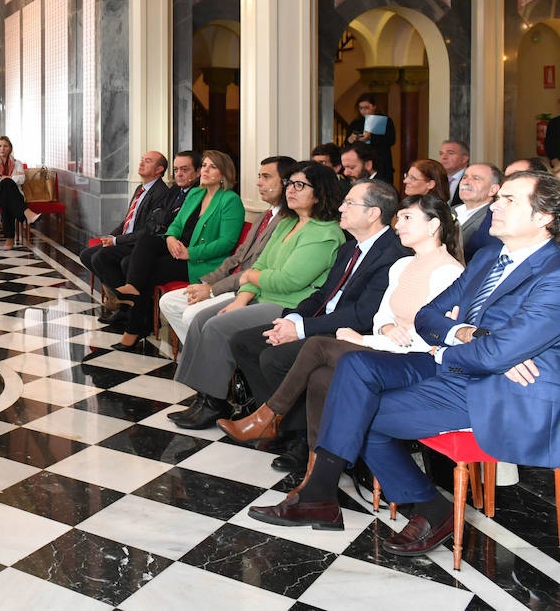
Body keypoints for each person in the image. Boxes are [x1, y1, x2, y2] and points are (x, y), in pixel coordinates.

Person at [247, 171, 560, 555]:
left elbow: (495, 356)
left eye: (509, 200)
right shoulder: (489, 257)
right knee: (355, 368)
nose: (495, 205)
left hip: (503, 391)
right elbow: (429, 316)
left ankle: (404, 504)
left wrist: (460, 347)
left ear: (543, 217)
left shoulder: (553, 274)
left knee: (357, 410)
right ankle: (323, 495)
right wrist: (468, 333)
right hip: (455, 368)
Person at [222, 196, 462, 472]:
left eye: (408, 218)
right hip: (386, 345)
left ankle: (269, 418)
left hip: (412, 358)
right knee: (320, 375)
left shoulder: (448, 273)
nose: (399, 224)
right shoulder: (402, 265)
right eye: (400, 217)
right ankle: (316, 468)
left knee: (318, 347)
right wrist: (386, 328)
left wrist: (365, 340)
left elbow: (431, 338)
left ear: (433, 226)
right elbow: (382, 315)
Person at [169, 163, 344, 430]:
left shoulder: (326, 233)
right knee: (202, 318)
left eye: (300, 185)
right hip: (262, 294)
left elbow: (289, 281)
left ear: (320, 193)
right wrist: (241, 298)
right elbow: (259, 265)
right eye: (289, 184)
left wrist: (249, 279)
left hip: (289, 305)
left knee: (216, 327)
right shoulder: (287, 223)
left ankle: (215, 404)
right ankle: (203, 396)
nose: (291, 191)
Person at [103, 151, 245, 352]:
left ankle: (133, 329)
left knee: (145, 271)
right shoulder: (196, 193)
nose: (205, 170)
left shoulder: (230, 200)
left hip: (201, 261)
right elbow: (176, 223)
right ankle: (133, 291)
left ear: (224, 173)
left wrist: (191, 253)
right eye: (204, 165)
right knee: (148, 239)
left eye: (212, 167)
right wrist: (170, 238)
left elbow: (227, 243)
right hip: (179, 250)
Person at [159, 156, 297, 345]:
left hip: (247, 289)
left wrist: (211, 288)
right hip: (228, 279)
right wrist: (207, 281)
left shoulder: (287, 221)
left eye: (265, 177)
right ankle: (202, 352)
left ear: (286, 182)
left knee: (192, 314)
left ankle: (209, 359)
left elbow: (239, 254)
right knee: (168, 302)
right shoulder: (266, 215)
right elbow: (238, 256)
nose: (258, 183)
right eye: (259, 176)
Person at [81, 151, 171, 302]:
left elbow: (148, 229)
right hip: (126, 240)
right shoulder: (140, 189)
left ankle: (124, 303)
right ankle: (121, 299)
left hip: (138, 244)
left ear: (159, 169)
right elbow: (128, 221)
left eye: (147, 161)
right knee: (86, 255)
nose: (141, 163)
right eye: (142, 159)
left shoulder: (161, 193)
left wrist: (117, 241)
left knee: (100, 257)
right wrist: (112, 236)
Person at [0, 135, 42, 250]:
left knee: (6, 198)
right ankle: (26, 214)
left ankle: (9, 238)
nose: (2, 149)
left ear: (10, 148)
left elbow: (22, 179)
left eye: (5, 146)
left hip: (8, 196)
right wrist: (5, 178)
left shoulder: (17, 163)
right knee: (7, 184)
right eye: (0, 146)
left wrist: (1, 178)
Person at [456, 162, 502, 260]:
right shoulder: (448, 210)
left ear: (493, 190)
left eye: (476, 179)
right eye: (464, 177)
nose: (466, 182)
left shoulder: (494, 218)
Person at [346, 92, 396, 180]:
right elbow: (347, 144)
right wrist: (351, 139)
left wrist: (371, 137)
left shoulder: (386, 121)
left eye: (366, 108)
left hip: (381, 161)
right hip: (362, 159)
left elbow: (391, 140)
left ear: (374, 106)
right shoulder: (356, 123)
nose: (363, 111)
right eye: (360, 108)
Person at [438, 139, 470, 206]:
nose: (444, 157)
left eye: (450, 153)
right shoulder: (435, 178)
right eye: (441, 153)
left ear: (464, 159)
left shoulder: (472, 179)